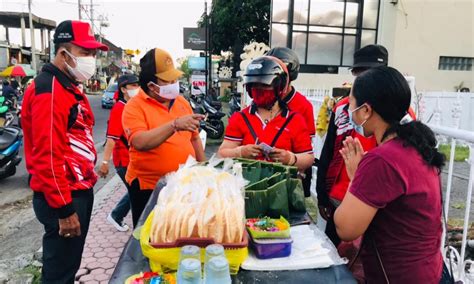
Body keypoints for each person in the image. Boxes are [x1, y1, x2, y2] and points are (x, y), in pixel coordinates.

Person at [334, 66, 445, 283]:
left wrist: (355, 178)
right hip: (429, 270)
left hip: (397, 275)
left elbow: (345, 228)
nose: (350, 110)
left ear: (366, 110)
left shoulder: (382, 160)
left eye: (352, 104)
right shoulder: (417, 147)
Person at [21, 20, 108, 283]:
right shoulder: (50, 91)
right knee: (60, 273)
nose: (91, 60)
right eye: (85, 53)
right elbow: (47, 157)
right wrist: (65, 209)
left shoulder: (68, 88)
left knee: (67, 266)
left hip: (74, 190)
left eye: (93, 54)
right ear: (63, 54)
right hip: (64, 195)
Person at [122, 48, 206, 227]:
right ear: (151, 85)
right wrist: (174, 125)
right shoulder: (134, 107)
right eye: (168, 80)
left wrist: (203, 170)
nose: (174, 84)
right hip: (148, 188)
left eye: (175, 79)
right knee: (149, 235)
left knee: (178, 230)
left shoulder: (182, 102)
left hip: (182, 185)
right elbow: (140, 142)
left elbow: (194, 138)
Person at [316, 44, 389, 246]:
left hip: (372, 204)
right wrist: (322, 195)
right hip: (338, 197)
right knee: (334, 259)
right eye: (360, 73)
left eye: (371, 73)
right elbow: (328, 150)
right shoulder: (342, 107)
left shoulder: (396, 111)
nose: (366, 79)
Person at [218, 56, 314, 172]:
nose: (259, 90)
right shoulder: (240, 118)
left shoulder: (295, 120)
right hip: (248, 185)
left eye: (265, 85)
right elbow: (222, 153)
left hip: (281, 186)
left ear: (279, 87)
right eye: (255, 86)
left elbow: (308, 158)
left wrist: (290, 158)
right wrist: (240, 152)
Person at [265, 47, 316, 196]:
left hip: (292, 174)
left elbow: (307, 149)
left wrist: (291, 159)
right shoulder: (263, 100)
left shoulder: (303, 105)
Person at [98, 74, 140, 232]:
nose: (137, 88)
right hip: (123, 160)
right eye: (133, 86)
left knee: (135, 191)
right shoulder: (119, 108)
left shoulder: (129, 105)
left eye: (138, 85)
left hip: (131, 159)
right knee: (135, 191)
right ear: (123, 89)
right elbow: (111, 139)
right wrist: (104, 163)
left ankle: (117, 216)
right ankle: (116, 216)